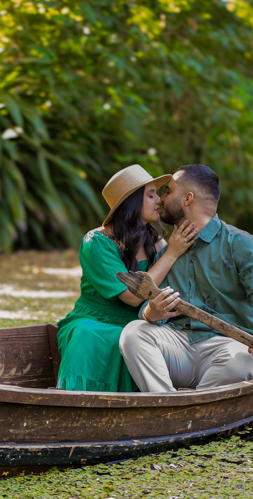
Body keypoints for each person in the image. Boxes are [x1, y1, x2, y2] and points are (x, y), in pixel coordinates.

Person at [118, 164, 253, 392]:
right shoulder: (166, 251)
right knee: (133, 333)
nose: (161, 199)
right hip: (177, 344)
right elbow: (149, 303)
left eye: (168, 191)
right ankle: (165, 404)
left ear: (187, 199)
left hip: (226, 347)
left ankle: (194, 405)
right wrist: (150, 313)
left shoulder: (242, 244)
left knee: (248, 359)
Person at [56, 164, 199, 392]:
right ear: (131, 202)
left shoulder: (155, 241)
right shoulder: (96, 242)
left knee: (145, 338)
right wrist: (171, 253)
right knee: (89, 336)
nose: (159, 201)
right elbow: (132, 297)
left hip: (140, 321)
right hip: (96, 322)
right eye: (150, 195)